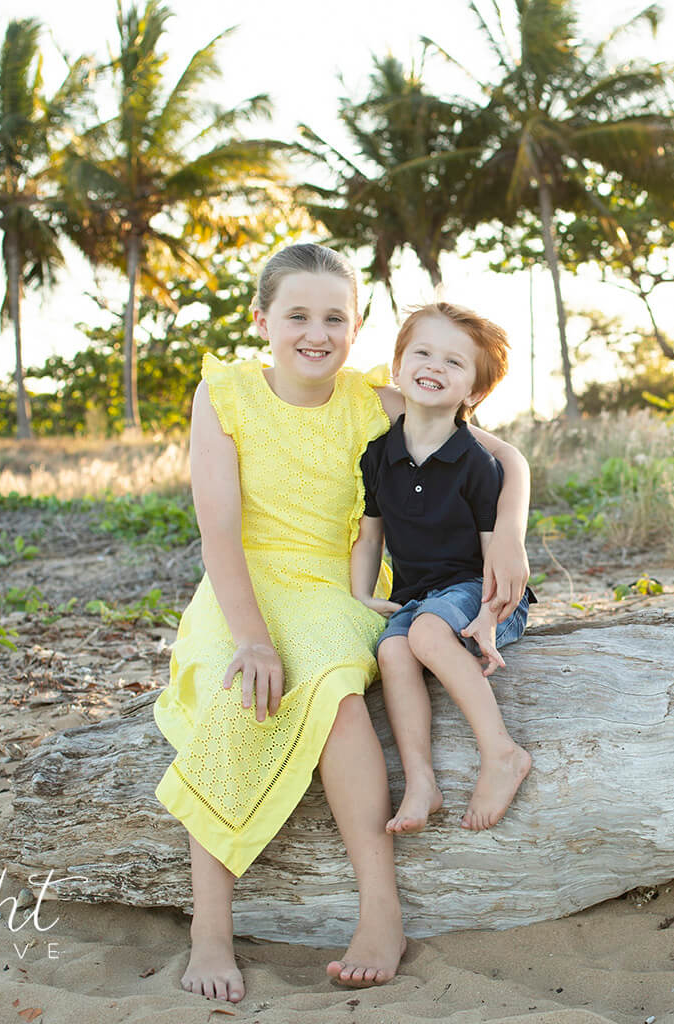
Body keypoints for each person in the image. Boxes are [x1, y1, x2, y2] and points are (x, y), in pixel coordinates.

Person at [152, 244, 530, 1001]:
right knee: (241, 696)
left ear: (356, 329)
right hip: (245, 589)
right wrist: (253, 637)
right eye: (297, 315)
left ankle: (380, 912)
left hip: (345, 589)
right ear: (262, 320)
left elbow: (503, 457)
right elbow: (220, 534)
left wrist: (511, 533)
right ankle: (210, 931)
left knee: (333, 690)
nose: (315, 333)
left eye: (335, 317)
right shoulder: (223, 395)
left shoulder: (372, 399)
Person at [350, 303, 535, 835]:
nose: (434, 366)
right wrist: (362, 595)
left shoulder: (478, 462)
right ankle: (421, 781)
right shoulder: (379, 453)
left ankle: (502, 753)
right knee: (391, 648)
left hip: (482, 594)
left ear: (473, 393)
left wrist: (488, 617)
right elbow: (370, 534)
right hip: (420, 597)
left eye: (454, 362)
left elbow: (492, 558)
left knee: (428, 633)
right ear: (397, 367)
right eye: (423, 353)